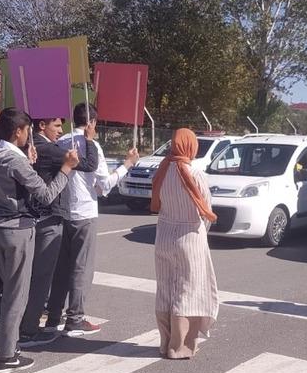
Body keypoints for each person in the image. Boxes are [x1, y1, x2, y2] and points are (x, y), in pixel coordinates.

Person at [0, 108, 78, 373]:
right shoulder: (15, 160)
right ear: (17, 132)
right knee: (16, 294)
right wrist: (66, 169)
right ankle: (6, 355)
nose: (28, 134)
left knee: (9, 290)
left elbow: (14, 183)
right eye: (26, 130)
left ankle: (8, 346)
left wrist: (27, 164)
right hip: (17, 228)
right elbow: (46, 195)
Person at [46, 103, 138, 336]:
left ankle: (54, 314)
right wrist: (127, 164)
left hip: (62, 209)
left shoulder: (61, 141)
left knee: (61, 267)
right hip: (84, 212)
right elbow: (104, 184)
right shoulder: (92, 146)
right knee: (81, 268)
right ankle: (75, 317)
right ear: (92, 123)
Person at [17, 116, 98, 347]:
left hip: (31, 216)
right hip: (49, 216)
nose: (60, 132)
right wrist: (89, 140)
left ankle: (29, 321)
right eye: (56, 126)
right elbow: (89, 165)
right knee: (42, 277)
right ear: (41, 126)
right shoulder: (48, 149)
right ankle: (29, 329)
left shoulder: (27, 148)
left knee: (33, 274)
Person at [150, 128, 219, 359]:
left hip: (164, 235)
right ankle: (179, 347)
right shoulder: (194, 173)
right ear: (191, 146)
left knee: (166, 290)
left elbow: (157, 202)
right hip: (190, 236)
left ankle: (165, 342)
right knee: (188, 292)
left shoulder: (162, 171)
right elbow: (206, 210)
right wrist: (202, 235)